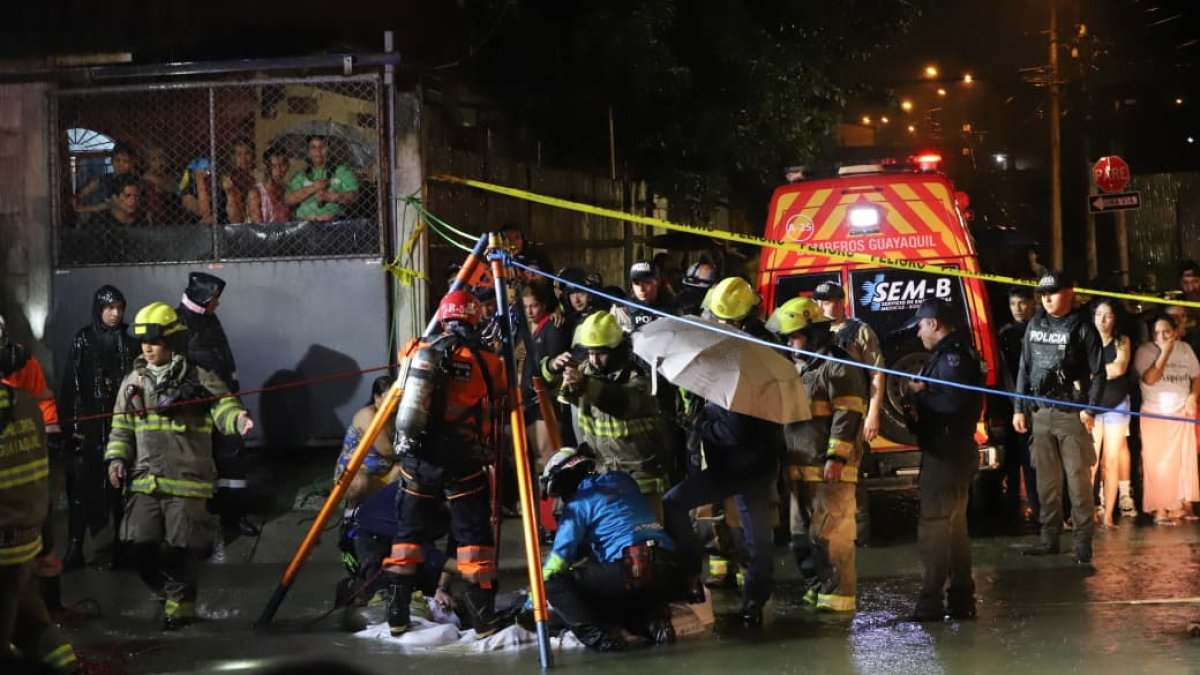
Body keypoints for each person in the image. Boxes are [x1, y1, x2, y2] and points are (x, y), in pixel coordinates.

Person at [104, 302, 254, 630]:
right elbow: (121, 428)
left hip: (188, 479)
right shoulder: (133, 382)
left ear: (172, 342)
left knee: (180, 548)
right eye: (144, 341)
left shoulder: (199, 377)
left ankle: (180, 602)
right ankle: (170, 590)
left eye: (155, 341)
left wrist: (237, 419)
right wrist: (116, 459)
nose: (148, 347)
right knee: (137, 546)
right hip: (146, 479)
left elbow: (224, 407)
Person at [385, 291, 507, 638]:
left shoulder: (414, 349)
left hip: (418, 459)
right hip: (462, 462)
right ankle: (483, 620)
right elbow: (501, 393)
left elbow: (405, 372)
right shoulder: (487, 362)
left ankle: (397, 615)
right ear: (474, 319)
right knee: (472, 538)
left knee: (406, 536)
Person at [662, 336, 781, 625]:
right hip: (727, 469)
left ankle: (754, 602)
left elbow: (733, 432)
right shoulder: (713, 385)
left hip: (750, 472)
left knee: (758, 542)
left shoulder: (739, 386)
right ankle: (691, 575)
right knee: (673, 503)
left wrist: (698, 424)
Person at [767, 296, 866, 614]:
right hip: (798, 470)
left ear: (815, 333)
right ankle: (818, 586)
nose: (791, 343)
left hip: (829, 472)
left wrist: (836, 458)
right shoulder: (797, 366)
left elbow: (848, 414)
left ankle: (837, 603)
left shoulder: (838, 367)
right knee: (800, 538)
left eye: (795, 336)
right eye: (788, 338)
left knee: (830, 538)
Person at [540, 448, 678, 651]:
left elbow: (560, 559)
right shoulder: (621, 480)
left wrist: (534, 596)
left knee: (554, 585)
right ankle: (652, 621)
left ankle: (602, 638)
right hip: (669, 567)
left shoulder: (578, 504)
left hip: (631, 569)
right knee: (614, 583)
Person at [899, 299, 983, 621]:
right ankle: (961, 598)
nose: (919, 333)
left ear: (933, 324)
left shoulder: (952, 359)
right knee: (954, 527)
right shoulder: (951, 355)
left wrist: (920, 393)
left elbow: (949, 405)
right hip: (952, 451)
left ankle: (931, 601)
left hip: (947, 453)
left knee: (936, 526)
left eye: (920, 326)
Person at [1014, 272, 1105, 564]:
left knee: (1078, 483)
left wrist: (1090, 408)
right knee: (1046, 484)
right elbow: (1024, 367)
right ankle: (1048, 539)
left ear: (1069, 292)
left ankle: (1082, 545)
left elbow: (1099, 373)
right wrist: (1018, 407)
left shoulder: (1082, 327)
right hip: (1040, 414)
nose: (1047, 298)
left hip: (1070, 414)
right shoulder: (1035, 323)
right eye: (1043, 294)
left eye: (1052, 292)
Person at [0, 347, 81, 673]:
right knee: (33, 625)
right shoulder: (26, 404)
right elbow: (37, 480)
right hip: (25, 543)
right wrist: (45, 543)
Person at [544, 312, 668, 514]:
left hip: (641, 478)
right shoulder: (585, 371)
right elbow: (544, 391)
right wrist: (551, 367)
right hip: (603, 475)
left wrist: (585, 384)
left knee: (649, 535)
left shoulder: (639, 376)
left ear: (617, 350)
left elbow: (622, 403)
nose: (594, 360)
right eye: (590, 353)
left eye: (600, 353)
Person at [58, 285, 138, 570]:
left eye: (118, 307)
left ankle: (122, 547)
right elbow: (74, 383)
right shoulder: (83, 340)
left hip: (118, 424)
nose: (114, 314)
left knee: (121, 489)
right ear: (98, 310)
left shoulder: (128, 341)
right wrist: (78, 423)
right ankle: (75, 548)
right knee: (80, 489)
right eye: (109, 308)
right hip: (90, 428)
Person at [176, 272, 257, 542]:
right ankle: (204, 516)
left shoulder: (209, 319)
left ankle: (234, 514)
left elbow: (224, 355)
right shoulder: (179, 323)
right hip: (198, 403)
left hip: (224, 399)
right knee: (199, 458)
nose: (218, 304)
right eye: (215, 299)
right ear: (203, 298)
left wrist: (232, 388)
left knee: (233, 453)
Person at [811, 281, 884, 545]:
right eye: (820, 301)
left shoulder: (858, 332)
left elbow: (876, 373)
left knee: (851, 474)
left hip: (852, 414)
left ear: (842, 302)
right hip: (821, 418)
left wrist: (874, 412)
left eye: (829, 301)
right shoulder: (812, 332)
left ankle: (860, 538)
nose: (824, 306)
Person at [1134, 312, 1200, 525]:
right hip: (1155, 412)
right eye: (1157, 333)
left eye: (1166, 332)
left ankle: (1183, 504)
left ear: (1175, 332)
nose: (1161, 336)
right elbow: (1151, 379)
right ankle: (1159, 508)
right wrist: (1165, 352)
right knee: (1158, 463)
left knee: (1183, 461)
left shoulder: (1186, 349)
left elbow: (1197, 377)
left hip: (1181, 411)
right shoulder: (1144, 351)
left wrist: (1192, 397)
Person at [1090, 299, 1135, 528]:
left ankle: (1108, 514)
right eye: (1099, 314)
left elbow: (1119, 368)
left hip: (1117, 403)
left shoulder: (1122, 340)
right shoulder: (1087, 340)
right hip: (1092, 406)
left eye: (1108, 315)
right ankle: (1088, 511)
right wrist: (1101, 373)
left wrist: (1094, 373)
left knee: (1111, 460)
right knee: (1090, 461)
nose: (1103, 320)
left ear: (1115, 318)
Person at [996, 286, 1039, 519]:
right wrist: (1016, 404)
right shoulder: (1004, 334)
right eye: (1013, 304)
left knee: (1032, 460)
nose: (1018, 309)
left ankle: (1039, 509)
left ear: (1033, 303)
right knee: (1012, 459)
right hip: (1012, 403)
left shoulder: (1040, 329)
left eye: (1022, 303)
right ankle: (1011, 507)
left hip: (1036, 403)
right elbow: (1006, 373)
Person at [520, 282, 572, 469]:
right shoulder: (525, 329)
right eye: (525, 306)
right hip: (526, 399)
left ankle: (550, 497)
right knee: (533, 458)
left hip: (546, 400)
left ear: (543, 304)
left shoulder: (553, 326)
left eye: (533, 306)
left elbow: (556, 364)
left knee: (547, 458)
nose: (529, 311)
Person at [285, 135, 359, 221]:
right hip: (304, 225)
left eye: (322, 146)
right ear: (308, 153)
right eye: (313, 147)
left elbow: (355, 196)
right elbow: (288, 199)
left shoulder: (342, 171)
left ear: (329, 149)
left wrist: (331, 197)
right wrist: (314, 187)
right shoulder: (302, 175)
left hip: (335, 225)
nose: (318, 151)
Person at [71, 142, 136, 219]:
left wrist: (84, 209)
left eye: (125, 161)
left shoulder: (129, 180)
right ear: (112, 161)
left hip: (121, 216)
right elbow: (94, 183)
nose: (120, 164)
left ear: (131, 163)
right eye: (117, 160)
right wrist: (79, 196)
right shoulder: (108, 177)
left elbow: (109, 204)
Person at [611, 260, 675, 333]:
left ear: (658, 281)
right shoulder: (620, 309)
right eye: (636, 283)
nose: (641, 289)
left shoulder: (672, 308)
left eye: (647, 282)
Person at [247, 145, 293, 224]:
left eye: (282, 165)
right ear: (268, 168)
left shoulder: (287, 190)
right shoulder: (256, 193)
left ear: (287, 166)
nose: (278, 170)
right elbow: (258, 226)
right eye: (274, 166)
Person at [219, 138, 257, 224]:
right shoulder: (230, 178)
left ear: (253, 156)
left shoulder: (258, 177)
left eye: (247, 153)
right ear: (234, 158)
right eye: (238, 154)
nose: (243, 159)